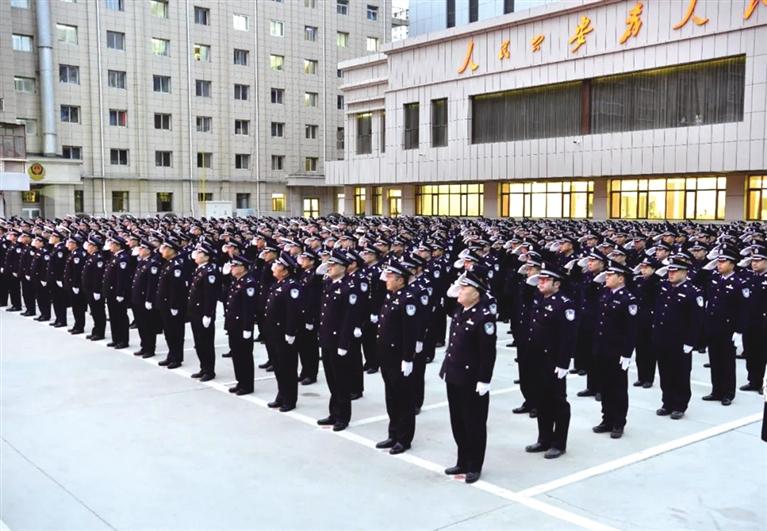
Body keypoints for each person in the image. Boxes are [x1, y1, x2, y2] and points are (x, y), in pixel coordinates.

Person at [440, 268, 497, 483]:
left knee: (474, 423)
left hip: (472, 379)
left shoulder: (484, 317)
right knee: (458, 421)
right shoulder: (460, 311)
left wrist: (485, 380)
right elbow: (448, 296)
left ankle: (474, 465)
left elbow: (488, 353)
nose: (460, 291)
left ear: (477, 292)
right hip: (454, 374)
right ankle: (462, 460)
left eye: (465, 288)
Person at [525, 263, 577, 459]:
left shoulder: (565, 304)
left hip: (553, 361)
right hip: (537, 359)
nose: (541, 282)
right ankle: (544, 438)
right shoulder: (539, 299)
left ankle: (558, 442)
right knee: (541, 400)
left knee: (558, 402)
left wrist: (564, 363)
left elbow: (568, 337)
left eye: (545, 280)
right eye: (541, 279)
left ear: (557, 283)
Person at [375, 261, 420, 455]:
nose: (387, 280)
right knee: (391, 397)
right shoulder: (392, 297)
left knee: (404, 399)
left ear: (400, 280)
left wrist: (408, 358)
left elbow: (410, 332)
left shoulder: (408, 299)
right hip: (387, 356)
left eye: (390, 277)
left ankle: (404, 438)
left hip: (400, 357)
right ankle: (393, 433)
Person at [652, 256, 705, 420]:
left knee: (680, 373)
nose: (671, 274)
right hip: (663, 339)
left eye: (675, 271)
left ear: (685, 272)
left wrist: (690, 342)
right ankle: (667, 402)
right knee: (665, 372)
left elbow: (696, 320)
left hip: (680, 341)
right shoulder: (664, 287)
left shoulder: (692, 292)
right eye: (669, 270)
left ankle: (680, 405)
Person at [591, 262, 638, 439]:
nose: (606, 277)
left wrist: (627, 354)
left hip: (617, 352)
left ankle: (618, 422)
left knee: (618, 387)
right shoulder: (605, 295)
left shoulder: (629, 299)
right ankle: (607, 419)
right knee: (604, 386)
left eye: (610, 275)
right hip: (602, 349)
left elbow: (631, 330)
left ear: (621, 278)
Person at [316, 250, 361, 432]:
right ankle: (334, 412)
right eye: (329, 265)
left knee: (342, 381)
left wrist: (344, 344)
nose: (330, 267)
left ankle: (343, 416)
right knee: (331, 379)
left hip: (339, 342)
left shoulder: (349, 288)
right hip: (327, 339)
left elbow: (349, 319)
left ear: (343, 267)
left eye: (333, 265)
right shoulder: (329, 283)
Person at [702, 244, 743, 406]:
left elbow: (742, 310)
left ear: (732, 264)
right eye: (718, 261)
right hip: (713, 326)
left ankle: (728, 393)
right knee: (715, 359)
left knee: (727, 361)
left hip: (728, 329)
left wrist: (739, 331)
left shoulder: (738, 282)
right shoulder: (714, 279)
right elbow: (707, 299)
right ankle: (716, 390)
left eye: (723, 262)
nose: (719, 264)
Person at [263, 252, 303, 411]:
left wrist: (291, 332)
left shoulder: (292, 286)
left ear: (286, 270)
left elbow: (293, 312)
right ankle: (282, 394)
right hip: (274, 333)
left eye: (278, 265)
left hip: (284, 334)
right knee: (279, 367)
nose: (274, 267)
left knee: (288, 368)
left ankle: (290, 399)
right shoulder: (279, 283)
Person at [224, 255, 258, 395]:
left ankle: (247, 385)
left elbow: (248, 309)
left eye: (234, 266)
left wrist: (247, 328)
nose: (232, 268)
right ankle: (240, 382)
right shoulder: (237, 281)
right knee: (237, 355)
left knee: (244, 356)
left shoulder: (249, 283)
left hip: (242, 326)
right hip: (233, 325)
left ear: (242, 267)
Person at [187, 242, 220, 381]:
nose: (196, 255)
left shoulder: (209, 272)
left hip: (203, 313)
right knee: (199, 342)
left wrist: (208, 314)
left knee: (206, 343)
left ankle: (209, 370)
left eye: (200, 253)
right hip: (195, 312)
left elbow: (210, 296)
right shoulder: (200, 269)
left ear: (206, 256)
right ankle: (203, 367)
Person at [156, 238, 188, 369]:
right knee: (169, 332)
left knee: (176, 332)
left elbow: (176, 288)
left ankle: (177, 358)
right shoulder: (168, 263)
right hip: (165, 304)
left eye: (164, 248)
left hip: (173, 305)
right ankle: (171, 355)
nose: (162, 251)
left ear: (171, 250)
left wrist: (174, 305)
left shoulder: (176, 266)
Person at [632, 257, 661, 388]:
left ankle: (648, 378)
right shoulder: (638, 280)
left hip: (651, 320)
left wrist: (653, 277)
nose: (643, 270)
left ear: (653, 269)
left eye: (646, 267)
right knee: (640, 350)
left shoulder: (657, 282)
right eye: (642, 267)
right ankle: (641, 376)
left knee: (649, 351)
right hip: (638, 319)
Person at [131, 240, 161, 358]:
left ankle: (150, 348)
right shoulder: (142, 262)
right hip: (137, 298)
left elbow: (151, 284)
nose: (140, 250)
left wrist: (149, 299)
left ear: (148, 250)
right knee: (141, 324)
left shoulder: (153, 264)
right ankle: (144, 346)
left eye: (142, 248)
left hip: (145, 299)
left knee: (148, 325)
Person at [296, 248, 321, 385]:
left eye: (305, 259)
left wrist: (310, 318)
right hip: (302, 315)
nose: (302, 261)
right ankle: (305, 371)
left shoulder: (315, 276)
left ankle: (311, 374)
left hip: (310, 316)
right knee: (303, 346)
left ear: (311, 261)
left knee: (310, 347)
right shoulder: (304, 273)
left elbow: (313, 299)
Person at [103, 235, 132, 349]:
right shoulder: (115, 256)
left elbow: (122, 278)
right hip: (111, 293)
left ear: (118, 246)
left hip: (117, 293)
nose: (110, 246)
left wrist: (120, 293)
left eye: (112, 244)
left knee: (120, 317)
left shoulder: (123, 258)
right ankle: (116, 338)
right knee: (113, 316)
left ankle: (123, 340)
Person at [82, 235, 107, 341]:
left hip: (95, 290)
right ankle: (96, 331)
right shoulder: (92, 257)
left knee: (98, 312)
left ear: (94, 247)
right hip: (89, 289)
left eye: (90, 245)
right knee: (94, 312)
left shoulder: (98, 258)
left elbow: (98, 276)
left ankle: (99, 332)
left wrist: (97, 290)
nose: (87, 247)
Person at [63, 233, 87, 334]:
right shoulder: (73, 253)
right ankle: (77, 325)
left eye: (69, 243)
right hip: (72, 284)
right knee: (75, 307)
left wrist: (76, 285)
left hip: (76, 285)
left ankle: (79, 326)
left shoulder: (78, 254)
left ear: (75, 244)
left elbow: (77, 272)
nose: (67, 244)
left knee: (78, 307)